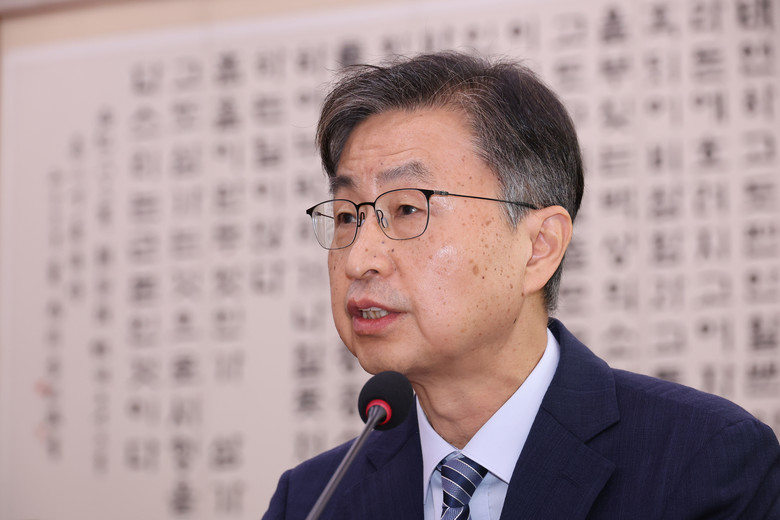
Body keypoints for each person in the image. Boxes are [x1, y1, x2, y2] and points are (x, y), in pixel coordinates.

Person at [263, 51, 780, 519]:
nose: (359, 259)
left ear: (539, 247)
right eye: (347, 216)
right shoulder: (310, 501)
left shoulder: (703, 464)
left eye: (407, 209)